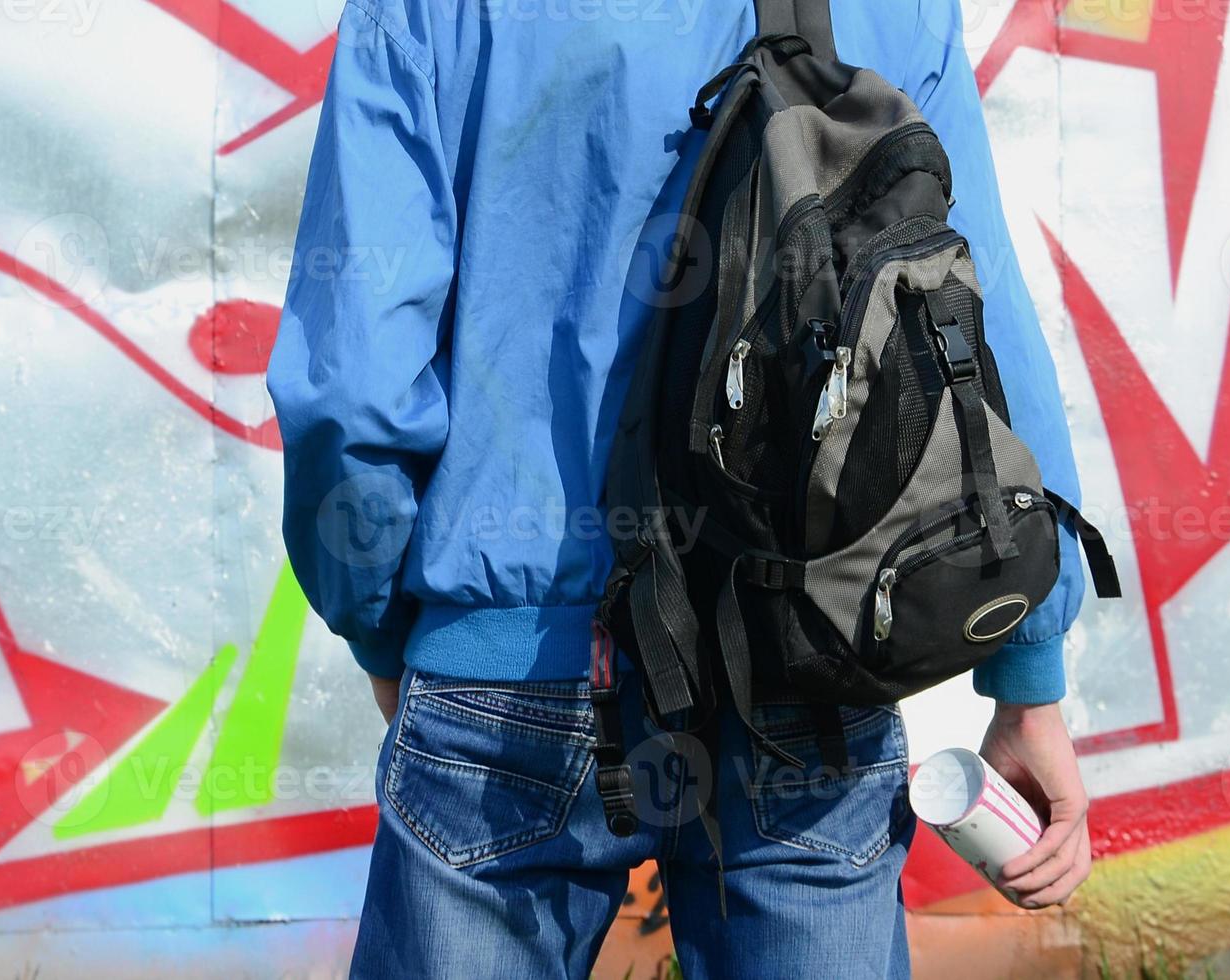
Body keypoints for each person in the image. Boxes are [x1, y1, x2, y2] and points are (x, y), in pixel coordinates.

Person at [269, 2, 1094, 976]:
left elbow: (353, 382)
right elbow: (970, 321)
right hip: (804, 645)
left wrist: (375, 615)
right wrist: (1027, 674)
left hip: (509, 665)